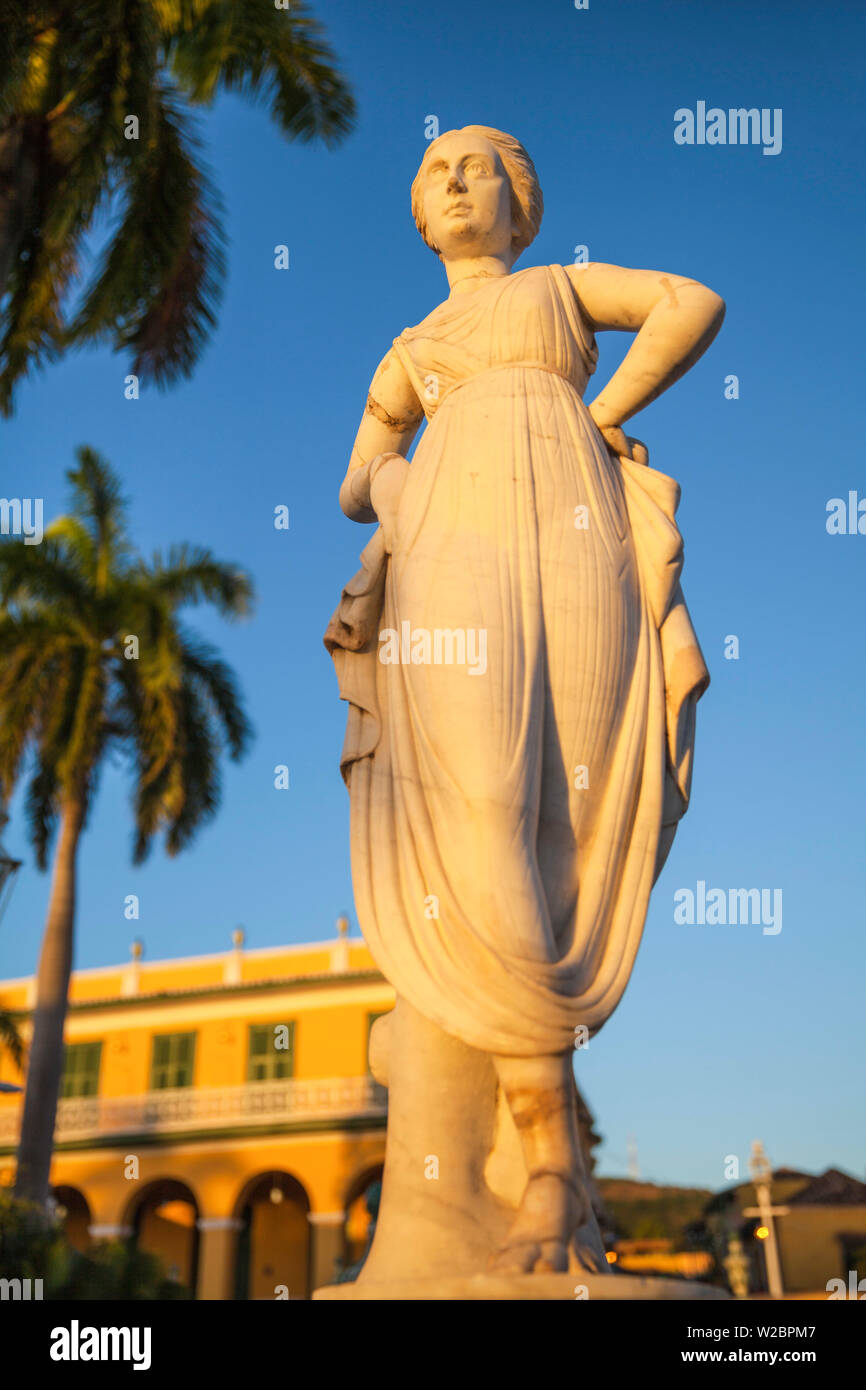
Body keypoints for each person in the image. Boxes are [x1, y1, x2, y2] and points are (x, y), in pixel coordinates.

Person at [325, 126, 723, 1273]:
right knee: (483, 797)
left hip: (573, 519)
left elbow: (688, 303)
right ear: (417, 213)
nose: (455, 184)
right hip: (449, 532)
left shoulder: (554, 290)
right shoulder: (411, 348)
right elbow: (355, 481)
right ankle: (545, 1153)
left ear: (520, 201)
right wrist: (405, 487)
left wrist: (600, 418)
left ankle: (553, 1163)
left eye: (477, 168)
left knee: (570, 814)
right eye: (435, 172)